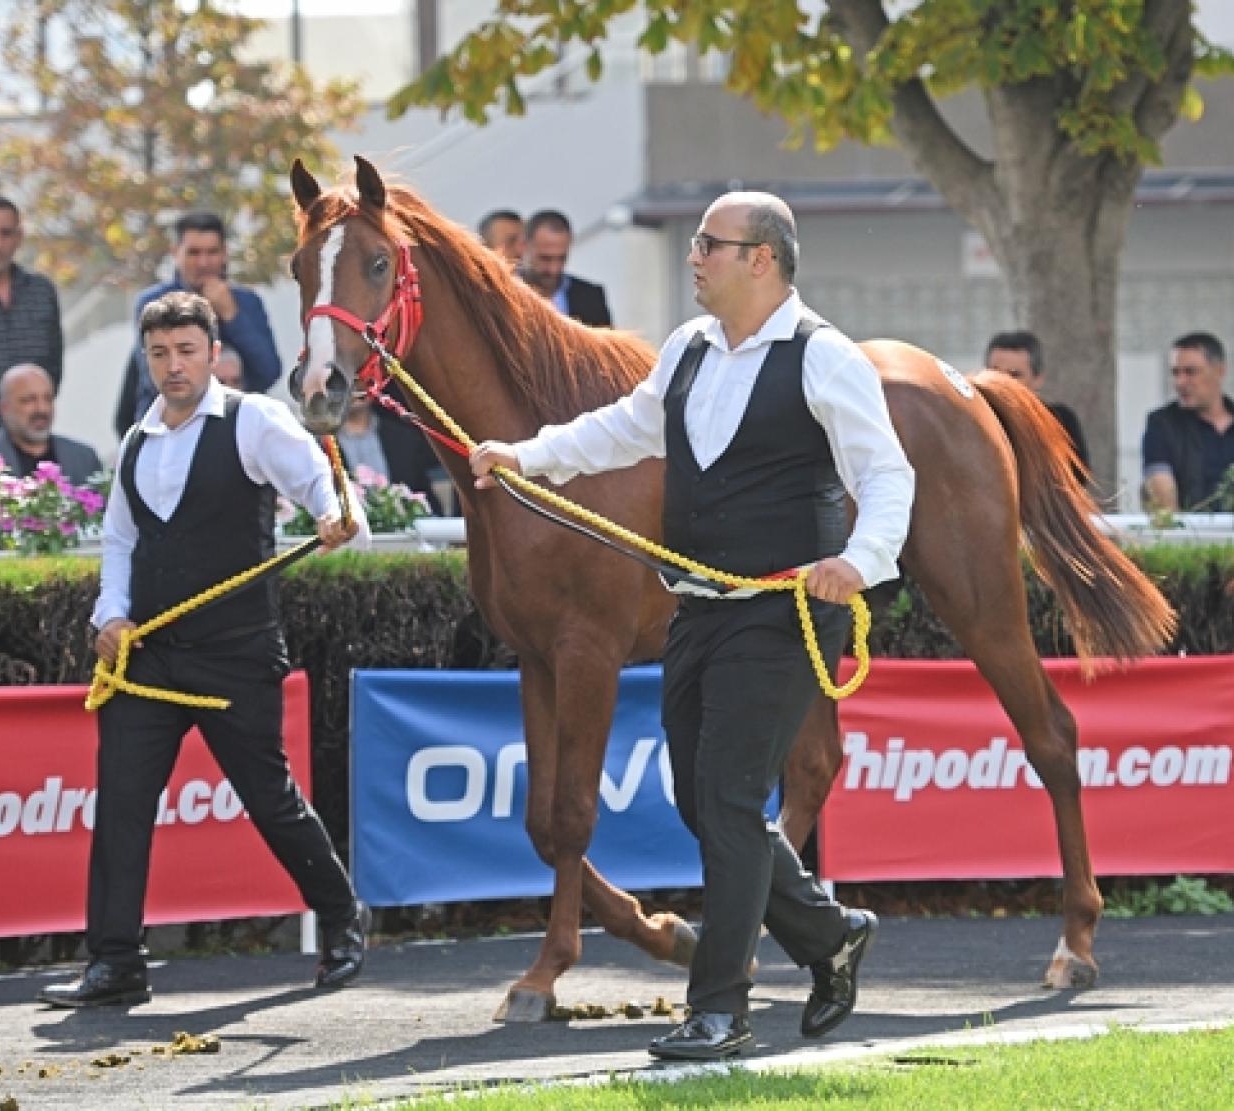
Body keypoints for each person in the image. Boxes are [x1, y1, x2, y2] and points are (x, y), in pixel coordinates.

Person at [470, 191, 914, 1061]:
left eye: (711, 244)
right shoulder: (687, 350)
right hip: (697, 611)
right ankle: (830, 934)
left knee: (731, 799)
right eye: (697, 243)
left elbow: (888, 474)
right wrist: (526, 455)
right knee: (699, 800)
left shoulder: (824, 358)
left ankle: (719, 1008)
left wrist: (860, 561)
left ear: (764, 259)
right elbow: (627, 430)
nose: (694, 256)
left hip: (786, 612)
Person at [39, 291, 370, 1009]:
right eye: (159, 353)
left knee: (270, 800)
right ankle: (116, 961)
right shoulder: (135, 439)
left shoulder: (253, 419)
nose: (172, 365)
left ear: (212, 353)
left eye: (186, 350)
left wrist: (333, 511)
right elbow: (121, 541)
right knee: (122, 803)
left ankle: (344, 920)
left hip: (235, 653)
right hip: (149, 659)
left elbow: (320, 481)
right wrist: (111, 615)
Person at [116, 211, 281, 433]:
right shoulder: (153, 302)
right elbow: (153, 378)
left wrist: (232, 315)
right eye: (193, 253)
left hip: (238, 428)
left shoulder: (247, 302)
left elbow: (269, 371)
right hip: (169, 428)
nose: (203, 263)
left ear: (224, 254)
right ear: (176, 253)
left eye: (212, 252)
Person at [1142, 331, 1234, 512]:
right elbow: (1161, 489)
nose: (1180, 382)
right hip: (1192, 535)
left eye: (1190, 372)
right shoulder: (1162, 424)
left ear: (1220, 370)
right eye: (1175, 373)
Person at [0, 197, 63, 427]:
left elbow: (54, 363)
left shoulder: (41, 292)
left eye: (5, 234)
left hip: (31, 435)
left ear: (19, 237)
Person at [984, 330, 1090, 473]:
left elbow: (1077, 476)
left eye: (1014, 374)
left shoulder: (1058, 421)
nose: (1002, 382)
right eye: (994, 372)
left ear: (1038, 378)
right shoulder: (971, 421)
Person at [0, 362, 101, 485]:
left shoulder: (83, 457)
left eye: (48, 399)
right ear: (4, 408)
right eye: (29, 400)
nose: (41, 409)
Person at [337, 393, 442, 512]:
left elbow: (424, 496)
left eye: (362, 383)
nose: (355, 390)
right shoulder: (321, 444)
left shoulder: (404, 438)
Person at [520, 209, 613, 327]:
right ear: (524, 246)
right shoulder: (503, 296)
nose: (553, 269)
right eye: (545, 258)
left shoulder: (591, 297)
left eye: (561, 258)